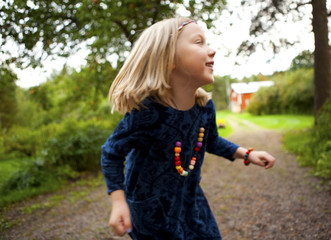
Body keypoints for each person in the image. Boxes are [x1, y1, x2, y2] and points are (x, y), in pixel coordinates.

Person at [101, 17, 276, 240]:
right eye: (199, 42)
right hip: (153, 213)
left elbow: (210, 141)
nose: (211, 50)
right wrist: (118, 201)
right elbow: (111, 152)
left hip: (191, 200)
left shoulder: (204, 108)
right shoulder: (148, 112)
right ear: (169, 59)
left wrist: (247, 153)